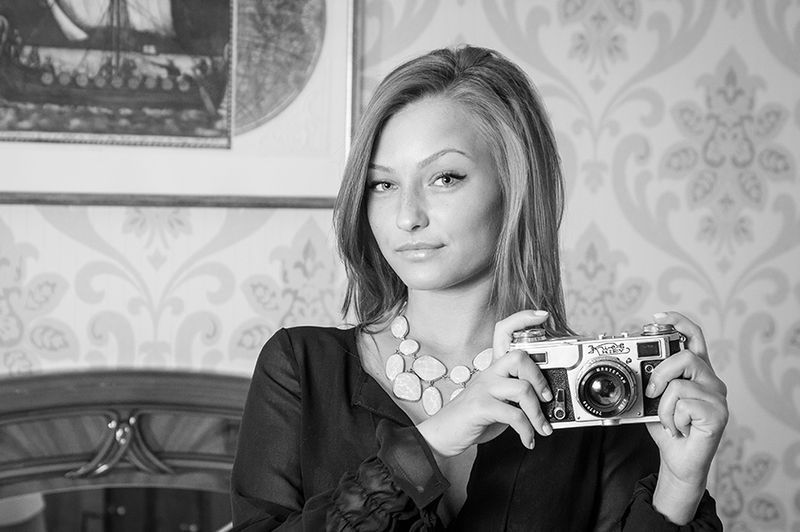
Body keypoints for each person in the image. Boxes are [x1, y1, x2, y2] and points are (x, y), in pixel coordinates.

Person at [230, 45, 728, 531]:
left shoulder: (599, 397)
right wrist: (432, 444)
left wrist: (679, 485)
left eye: (445, 178)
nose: (407, 217)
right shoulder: (300, 368)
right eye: (382, 185)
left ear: (515, 186)